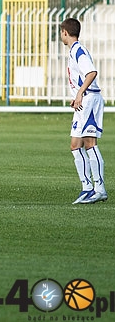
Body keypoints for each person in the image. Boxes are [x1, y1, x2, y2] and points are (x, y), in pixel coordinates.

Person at [60, 17, 108, 204]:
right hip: (82, 102)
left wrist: (80, 93)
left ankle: (100, 188)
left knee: (90, 143)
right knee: (75, 144)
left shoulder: (78, 50)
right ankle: (87, 187)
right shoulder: (74, 51)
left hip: (89, 100)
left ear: (65, 32)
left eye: (61, 33)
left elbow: (91, 72)